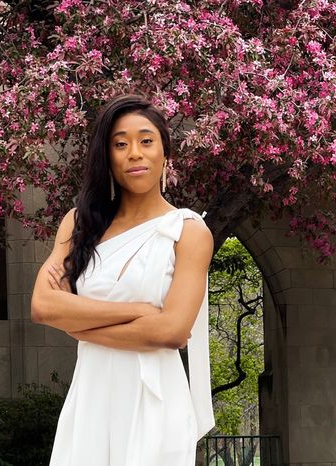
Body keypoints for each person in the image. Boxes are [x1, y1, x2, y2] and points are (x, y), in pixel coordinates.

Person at [30, 94, 215, 465]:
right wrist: (138, 310)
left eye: (146, 141)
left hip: (155, 401)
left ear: (165, 152)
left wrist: (78, 327)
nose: (134, 153)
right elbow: (43, 305)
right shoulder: (80, 223)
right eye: (120, 143)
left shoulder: (188, 231)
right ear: (108, 158)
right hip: (91, 397)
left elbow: (172, 332)